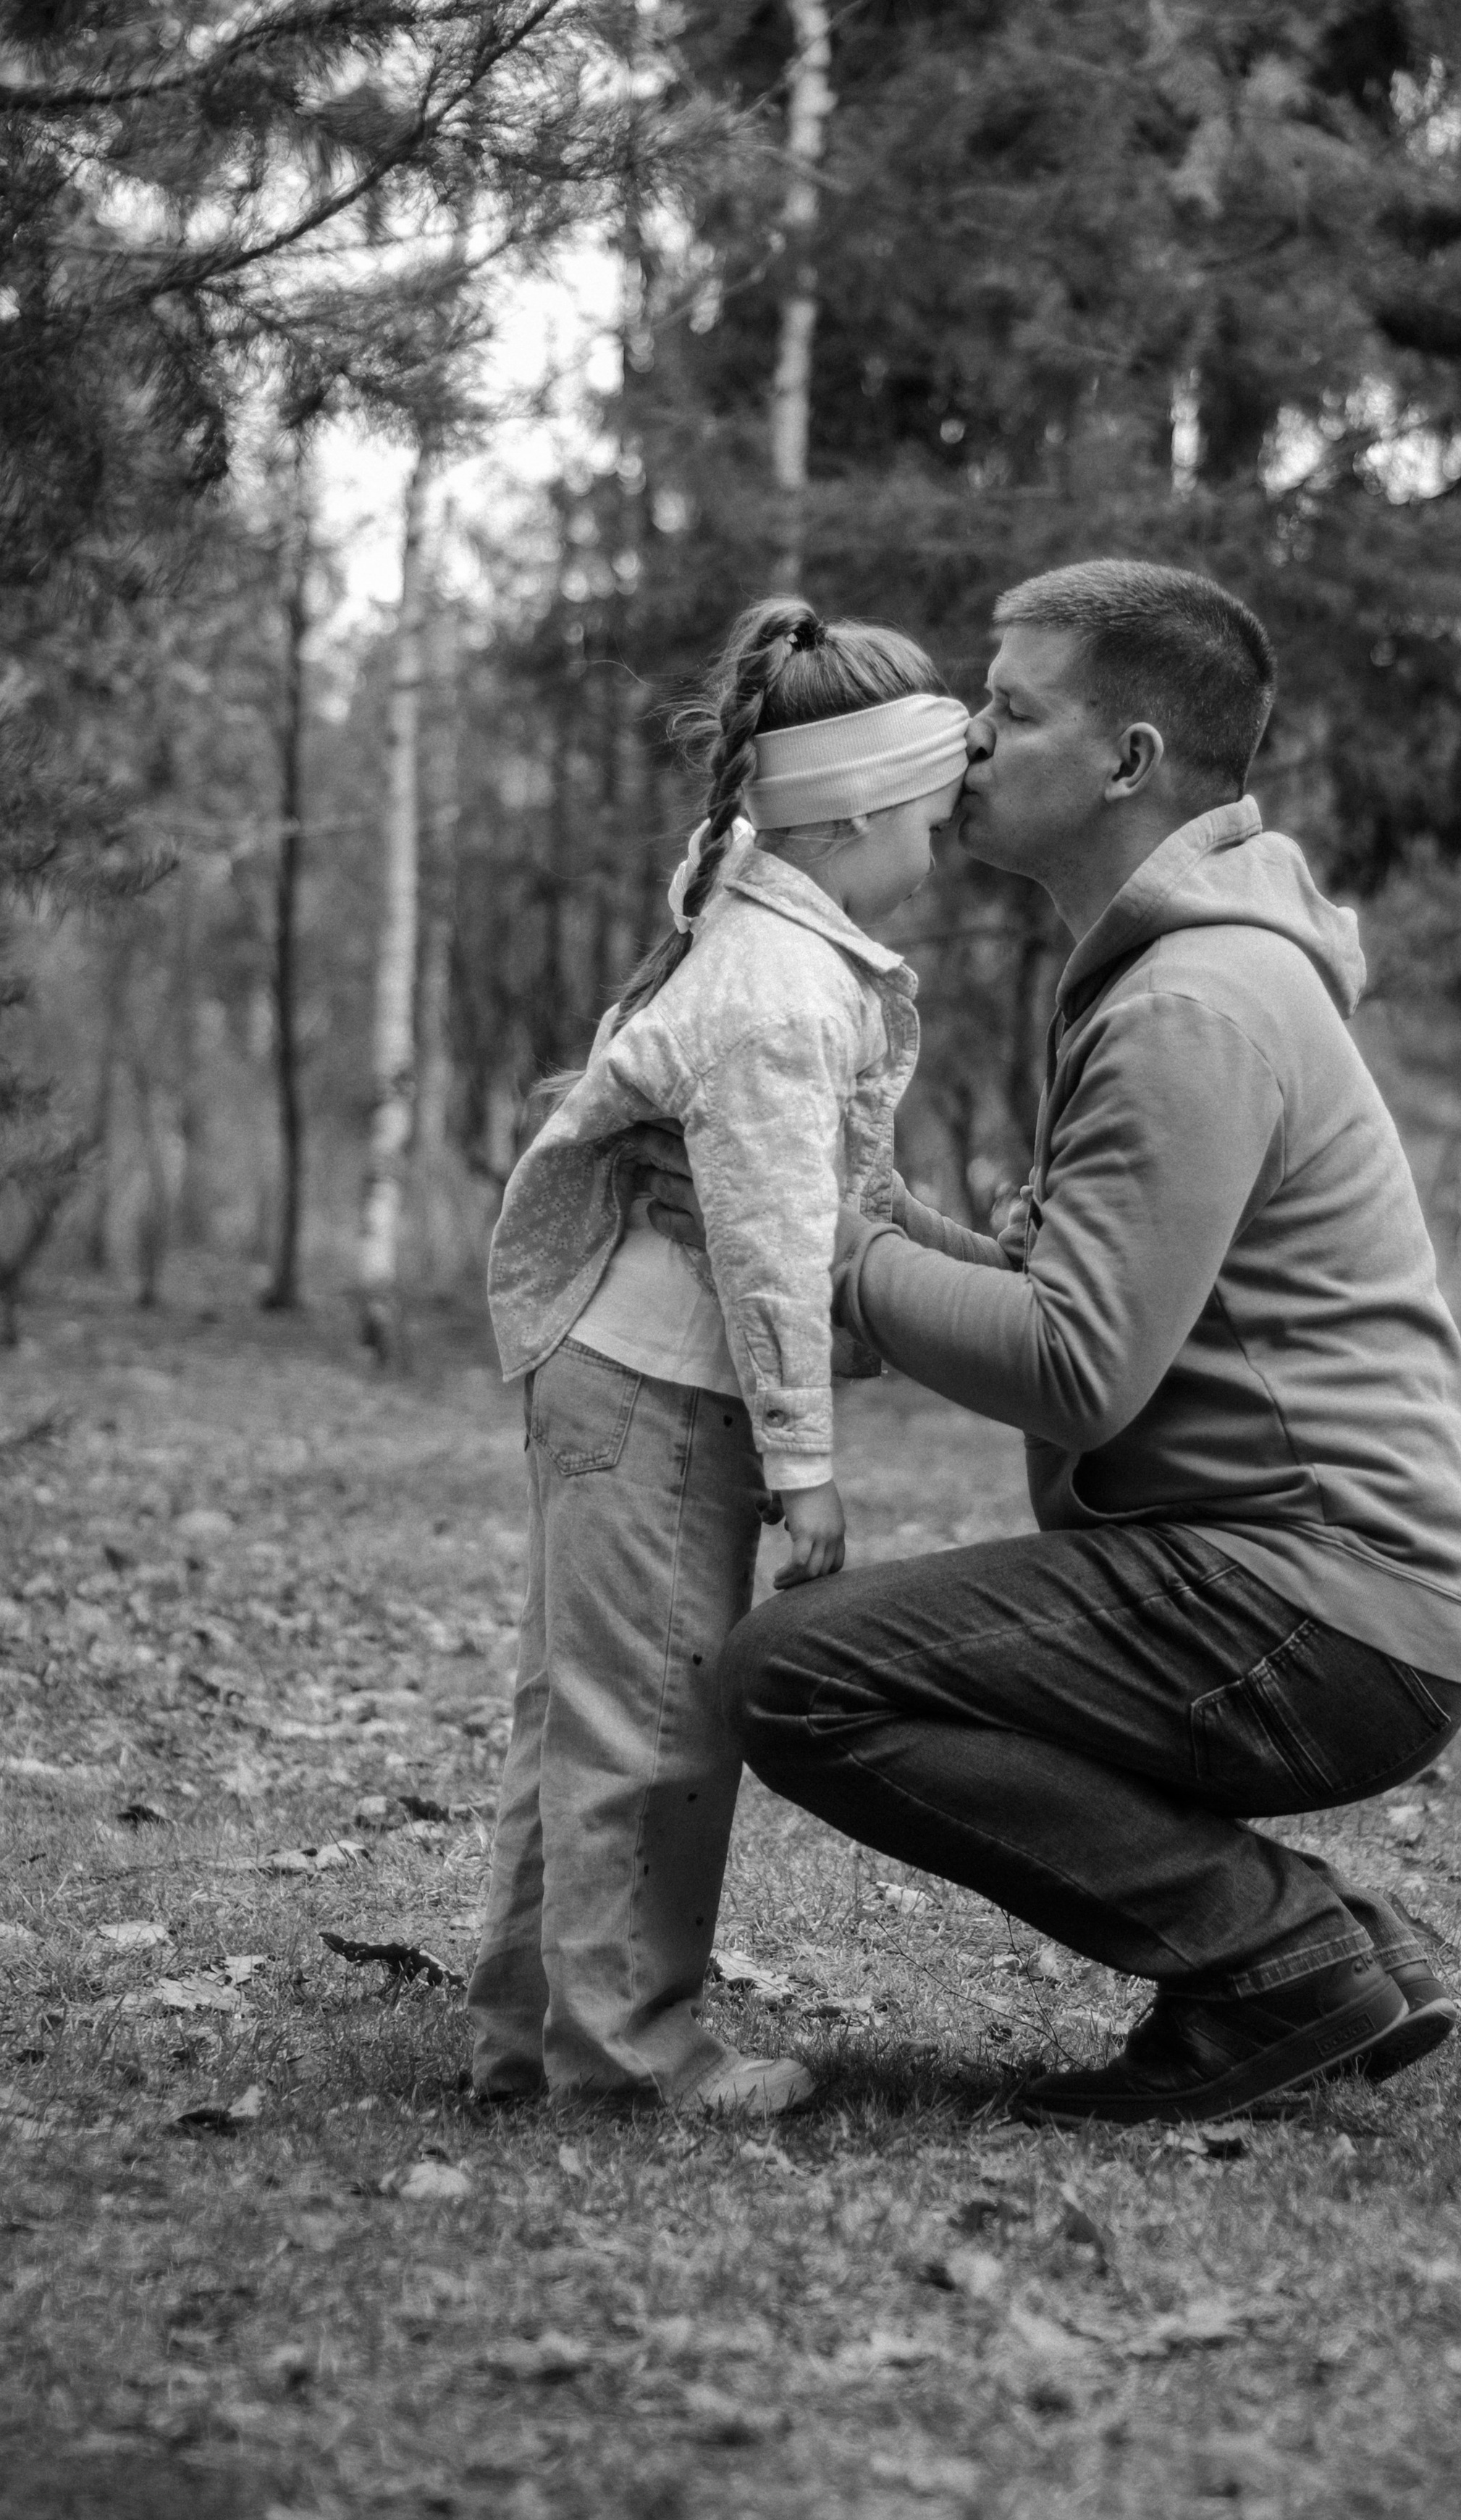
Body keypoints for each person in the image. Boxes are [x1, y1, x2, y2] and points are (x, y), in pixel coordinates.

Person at [640, 559, 1461, 2127]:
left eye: (1011, 709)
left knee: (795, 1676)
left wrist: (836, 1253)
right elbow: (1112, 1313)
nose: (966, 735)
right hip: (1310, 1582)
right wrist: (894, 1230)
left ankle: (1275, 1959)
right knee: (831, 1658)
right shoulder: (1173, 971)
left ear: (1128, 762)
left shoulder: (1192, 1003)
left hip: (1322, 1603)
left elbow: (1076, 1366)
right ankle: (1337, 1939)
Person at [468, 598, 967, 2117]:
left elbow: (838, 1195)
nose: (942, 842)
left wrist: (976, 1255)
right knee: (656, 1726)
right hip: (660, 1390)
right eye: (931, 814)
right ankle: (631, 2056)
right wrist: (806, 1469)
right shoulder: (777, 994)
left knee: (585, 1710)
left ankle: (530, 2033)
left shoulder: (768, 930)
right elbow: (767, 1246)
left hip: (619, 1375)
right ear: (857, 811)